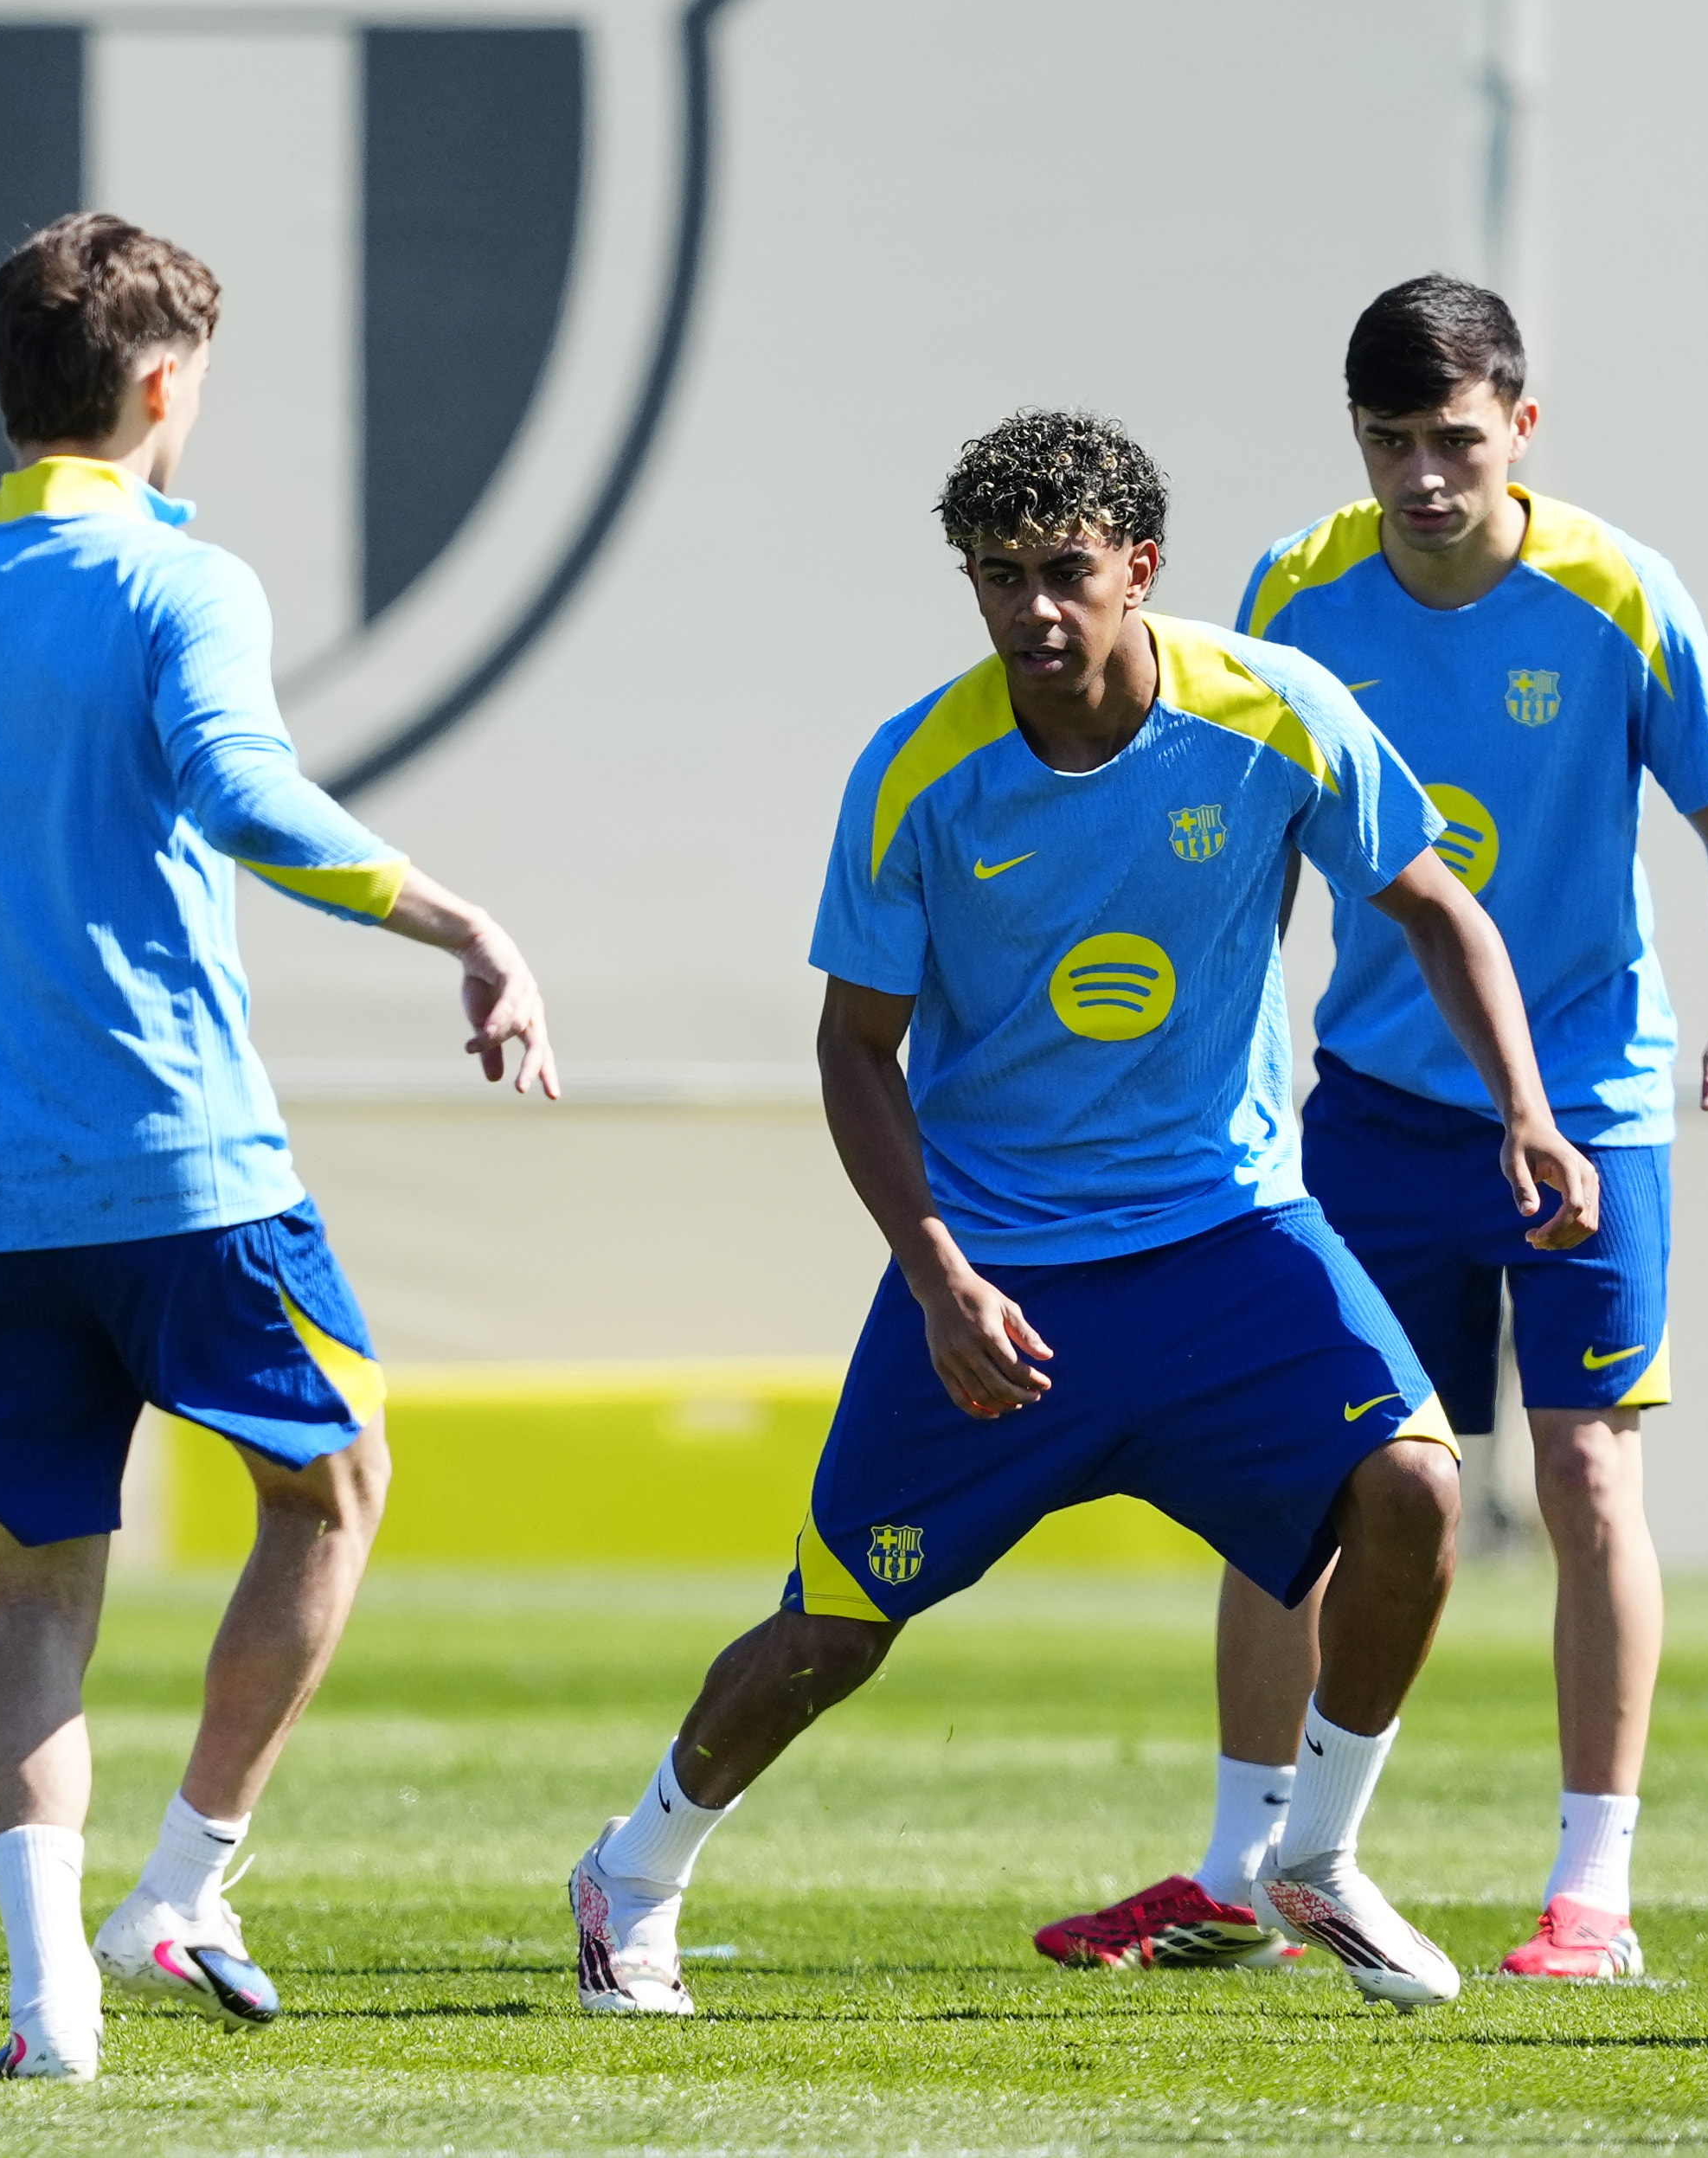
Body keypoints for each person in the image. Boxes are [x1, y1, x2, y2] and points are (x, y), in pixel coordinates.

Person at [0, 213, 559, 2081]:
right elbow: (246, 797)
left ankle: (53, 2005)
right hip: (183, 1168)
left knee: (39, 1594)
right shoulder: (172, 583)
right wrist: (464, 925)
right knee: (341, 1483)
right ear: (159, 387)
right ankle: (183, 1889)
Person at [567, 409, 1598, 2019]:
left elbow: (1439, 908)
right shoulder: (923, 773)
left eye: (1067, 573)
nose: (1036, 612)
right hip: (1002, 1280)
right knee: (831, 1633)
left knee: (1413, 1491)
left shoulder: (1273, 712)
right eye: (998, 580)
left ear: (1142, 569)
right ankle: (631, 1873)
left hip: (1226, 1240)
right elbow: (854, 1049)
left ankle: (1310, 1863)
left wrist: (1526, 1113)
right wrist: (937, 1276)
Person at [1032, 277, 1708, 1985]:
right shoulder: (1297, 588)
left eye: (1456, 441)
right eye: (1391, 445)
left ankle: (1592, 1893)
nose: (1425, 479)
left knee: (1587, 1469)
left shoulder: (1619, 596)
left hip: (1585, 1106)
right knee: (1298, 1479)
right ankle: (1241, 1878)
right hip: (1367, 1109)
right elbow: (1233, 824)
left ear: (1522, 426)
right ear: (1356, 442)